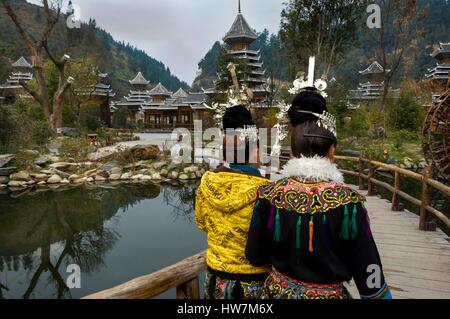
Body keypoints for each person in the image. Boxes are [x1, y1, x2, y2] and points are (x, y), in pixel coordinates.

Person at [245, 91, 392, 299]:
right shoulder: (348, 203)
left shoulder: (269, 195)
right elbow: (370, 276)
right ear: (331, 151)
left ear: (293, 151)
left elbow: (254, 255)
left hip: (275, 294)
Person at [195, 105, 270, 299]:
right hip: (254, 283)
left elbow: (201, 222)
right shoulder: (267, 192)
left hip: (215, 279)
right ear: (255, 151)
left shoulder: (207, 183)